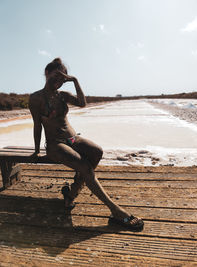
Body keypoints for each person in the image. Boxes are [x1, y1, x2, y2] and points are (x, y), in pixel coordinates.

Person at [29, 58, 144, 231]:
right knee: (84, 166)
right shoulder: (35, 98)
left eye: (62, 79)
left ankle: (72, 193)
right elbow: (37, 125)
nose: (58, 82)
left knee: (97, 152)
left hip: (73, 138)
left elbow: (83, 103)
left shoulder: (63, 96)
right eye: (55, 77)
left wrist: (75, 80)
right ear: (46, 74)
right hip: (55, 144)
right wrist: (37, 151)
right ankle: (116, 211)